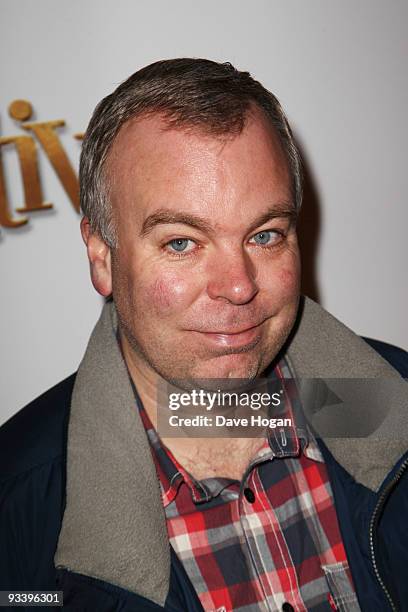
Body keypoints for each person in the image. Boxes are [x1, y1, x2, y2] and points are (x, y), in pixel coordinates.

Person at [1, 58, 407, 612]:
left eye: (265, 235)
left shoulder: (397, 410)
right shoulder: (17, 504)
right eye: (181, 243)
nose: (239, 288)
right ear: (101, 256)